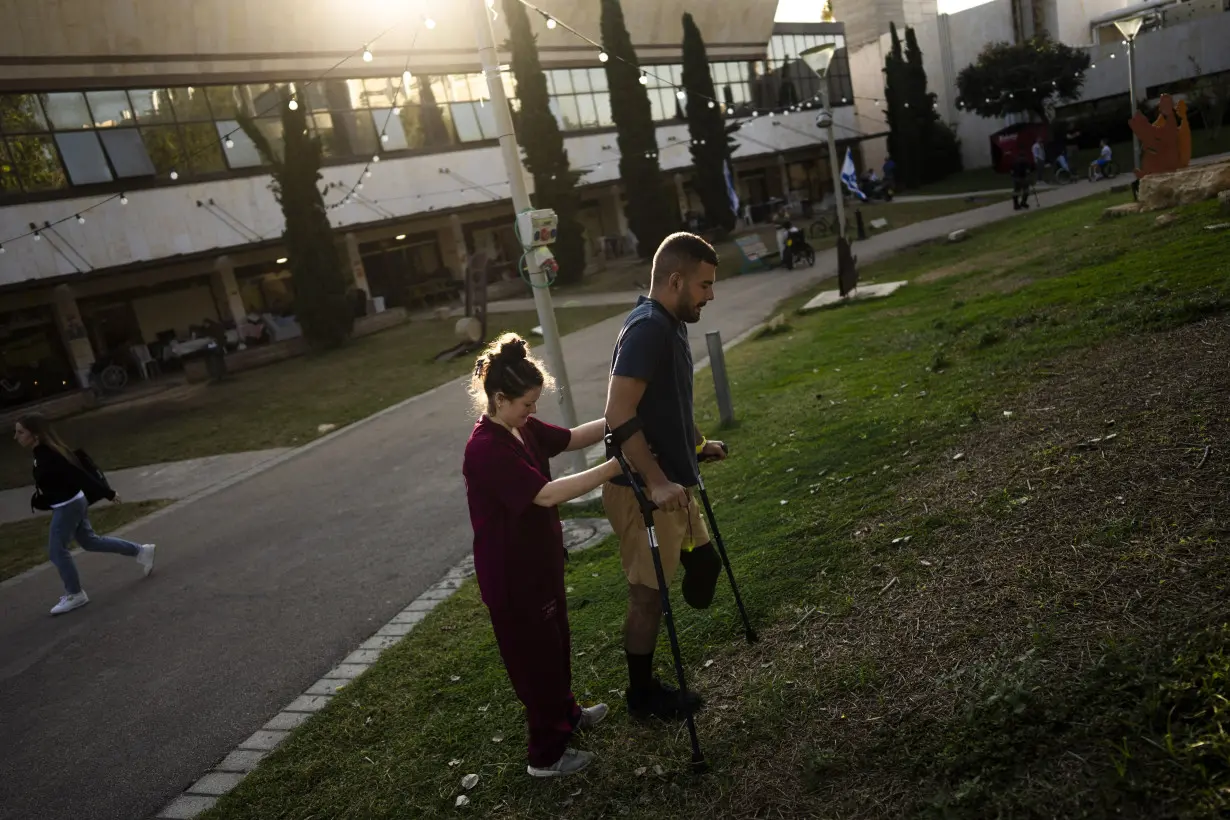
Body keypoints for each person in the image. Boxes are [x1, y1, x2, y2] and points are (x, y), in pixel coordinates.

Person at [462, 333, 621, 778]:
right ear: (499, 398)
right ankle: (546, 756)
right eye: (527, 404)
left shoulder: (521, 428)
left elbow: (571, 438)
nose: (533, 411)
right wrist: (614, 465)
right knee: (536, 666)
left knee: (556, 648)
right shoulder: (485, 449)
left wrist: (620, 421)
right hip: (512, 578)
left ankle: (567, 716)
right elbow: (547, 495)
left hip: (541, 563)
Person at [603, 232, 730, 722]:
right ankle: (642, 696)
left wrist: (697, 444)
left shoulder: (672, 322)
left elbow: (670, 400)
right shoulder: (647, 329)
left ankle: (684, 571)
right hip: (640, 490)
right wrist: (655, 480)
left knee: (705, 566)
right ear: (675, 280)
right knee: (648, 597)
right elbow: (618, 413)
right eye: (704, 285)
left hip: (674, 483)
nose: (710, 295)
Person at [14, 414, 155, 616]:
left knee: (56, 550)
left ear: (35, 435)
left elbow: (80, 475)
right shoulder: (40, 453)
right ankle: (142, 551)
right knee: (90, 542)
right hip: (70, 503)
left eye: (20, 432)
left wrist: (108, 493)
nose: (16, 436)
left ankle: (75, 594)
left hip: (68, 506)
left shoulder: (50, 454)